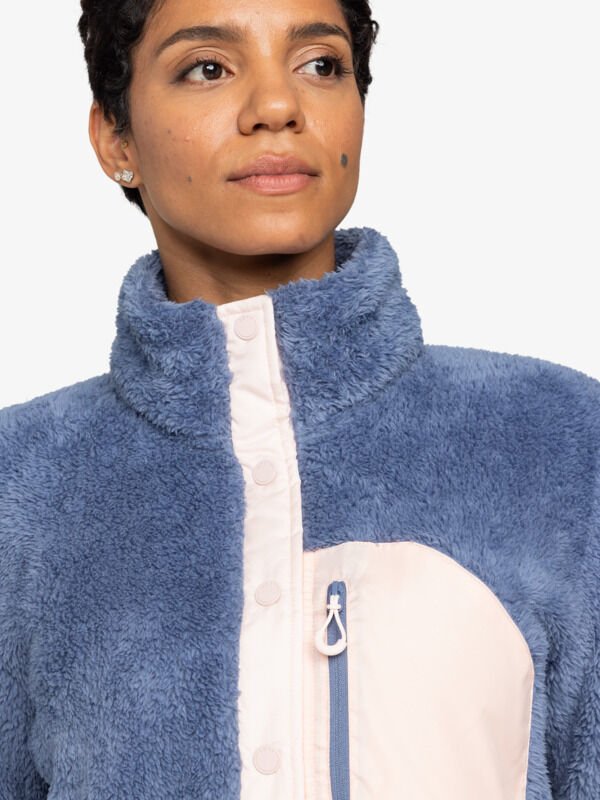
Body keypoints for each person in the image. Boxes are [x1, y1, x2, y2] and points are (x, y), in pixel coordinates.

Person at [0, 0, 598, 798]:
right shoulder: (21, 486)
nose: (278, 105)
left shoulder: (560, 442)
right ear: (117, 139)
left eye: (320, 64)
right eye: (207, 68)